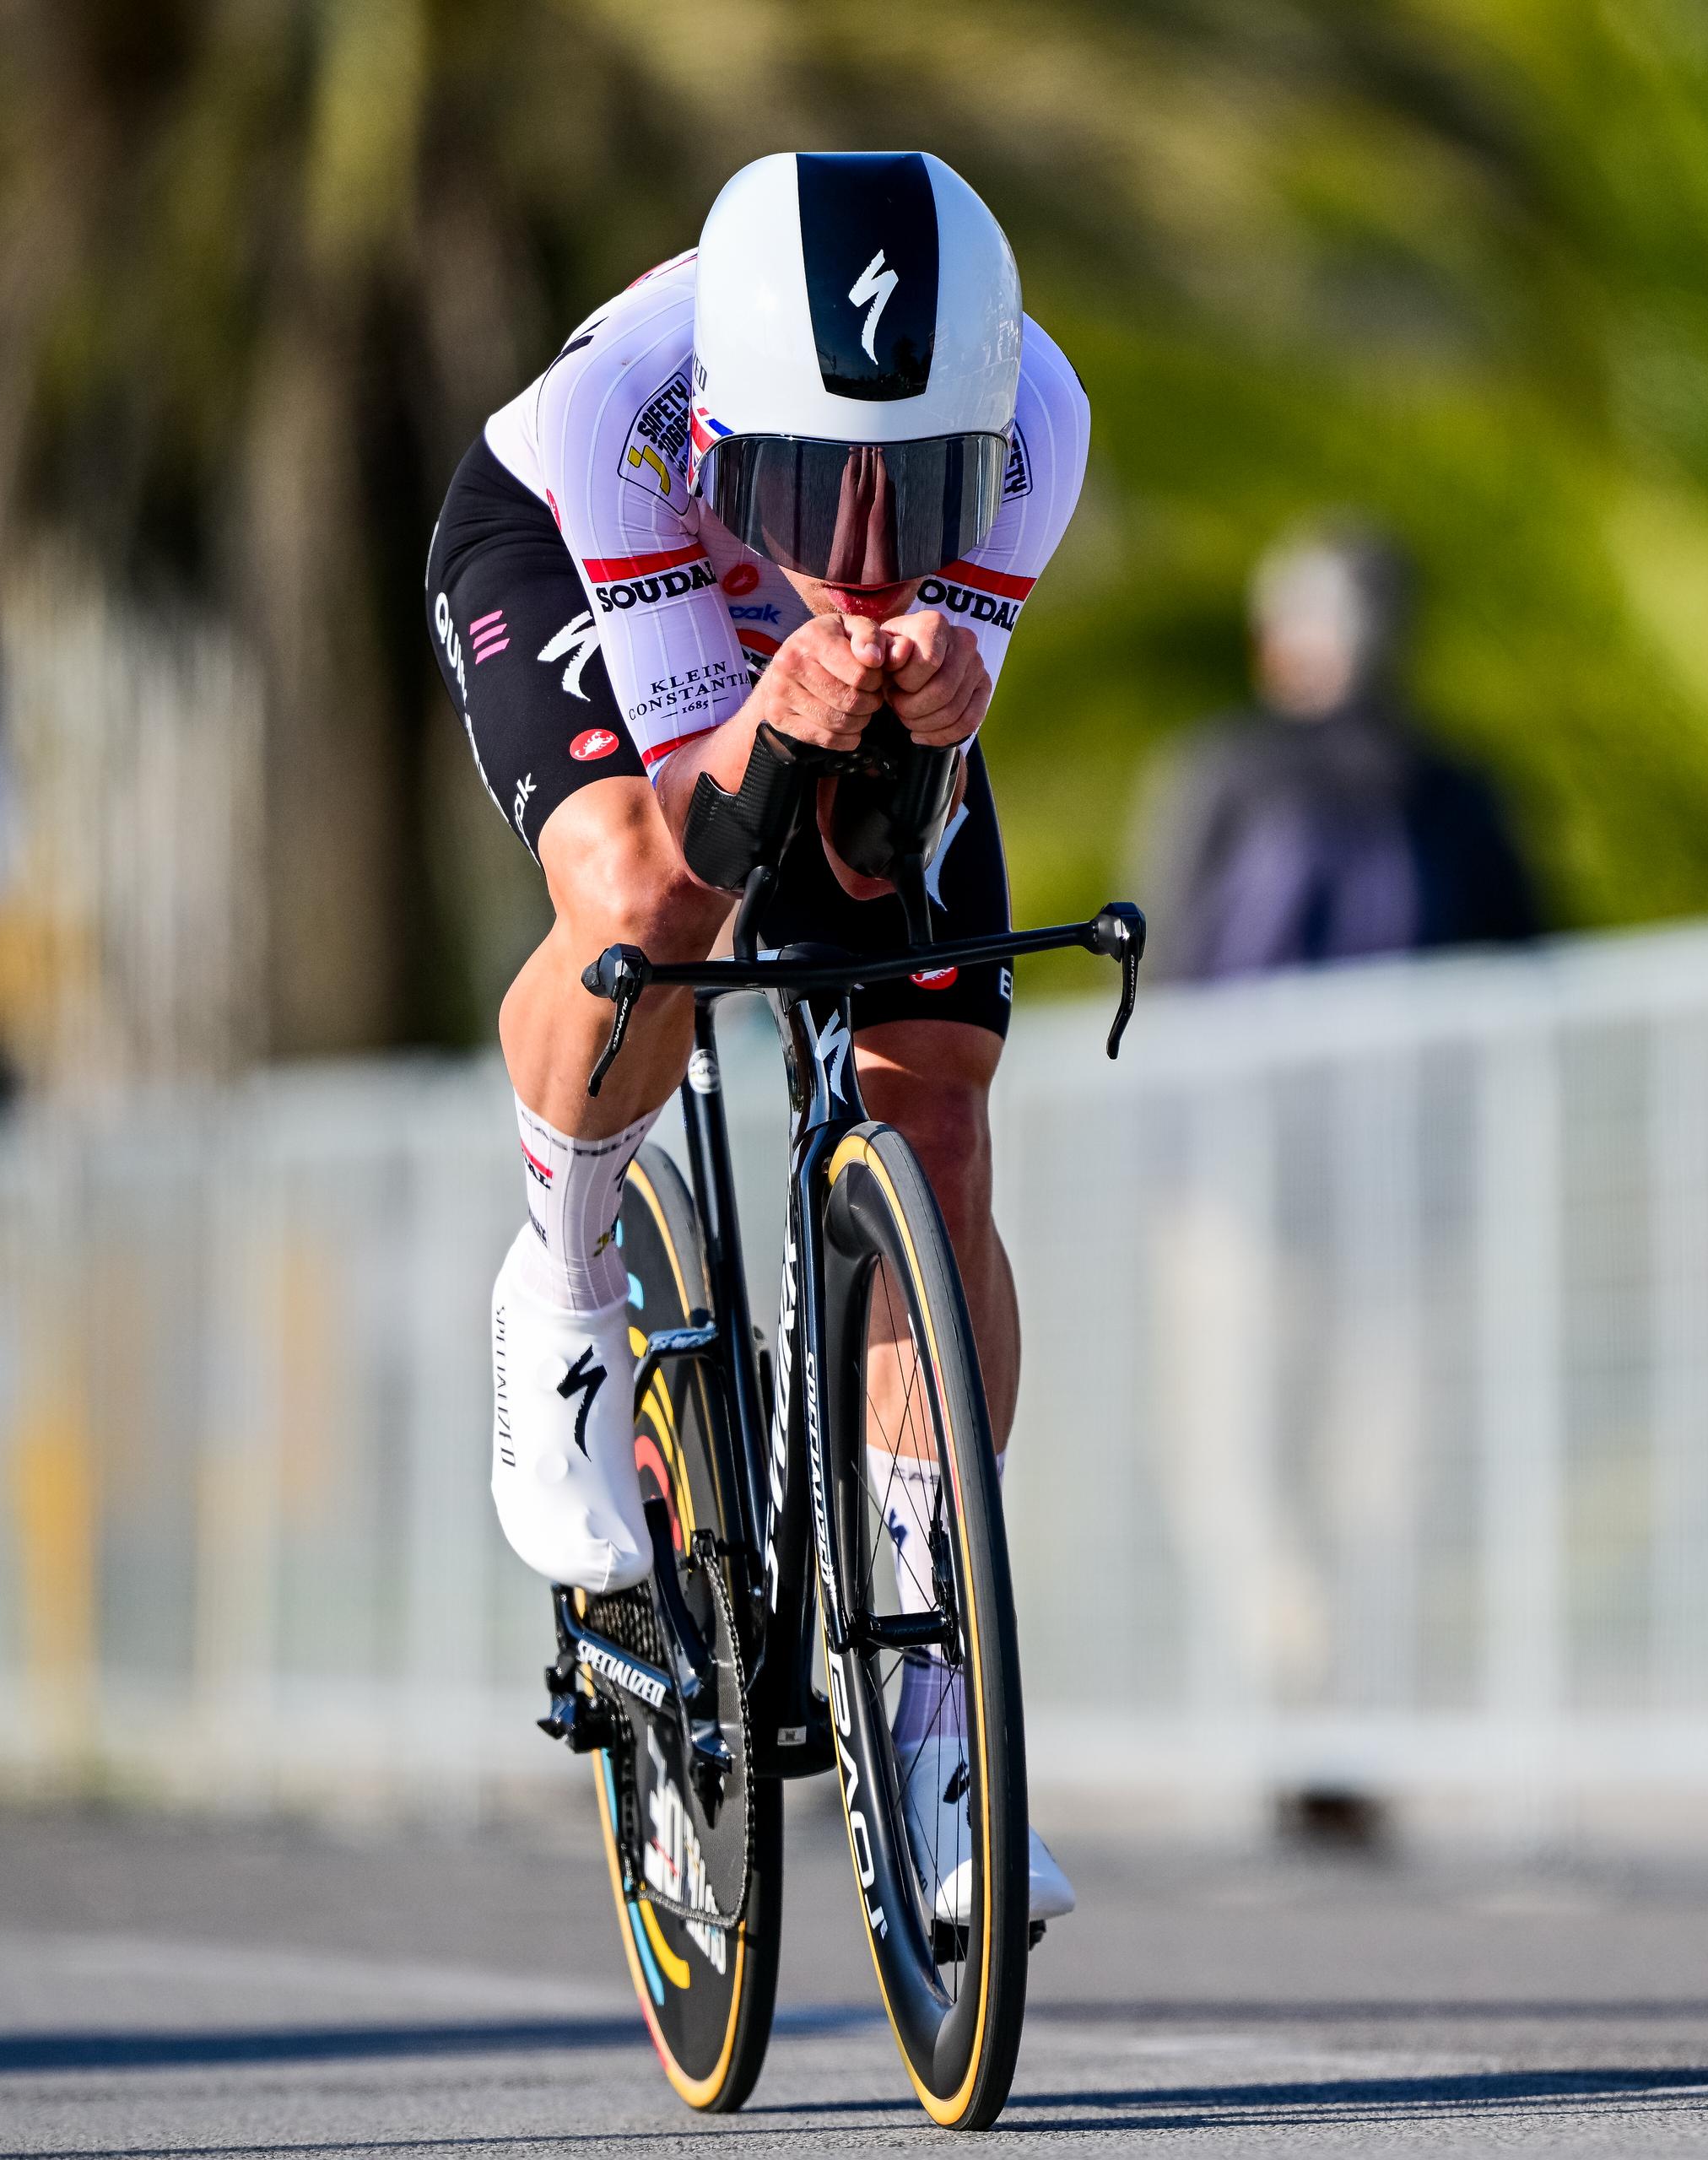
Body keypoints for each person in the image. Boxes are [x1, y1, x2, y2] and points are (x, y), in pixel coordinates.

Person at [420, 152, 1083, 1921]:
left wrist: (926, 726)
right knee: (642, 906)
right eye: (822, 484)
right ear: (730, 433)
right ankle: (560, 1284)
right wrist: (781, 717)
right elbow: (713, 851)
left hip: (788, 647)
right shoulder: (622, 419)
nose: (873, 545)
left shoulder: (1039, 424)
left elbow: (878, 858)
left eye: (917, 489)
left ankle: (936, 1722)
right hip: (571, 560)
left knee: (932, 1093)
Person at [1133, 526, 1538, 983]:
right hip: (1254, 1049)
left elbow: (1524, 957)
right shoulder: (1225, 772)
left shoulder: (1453, 789)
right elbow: (1158, 954)